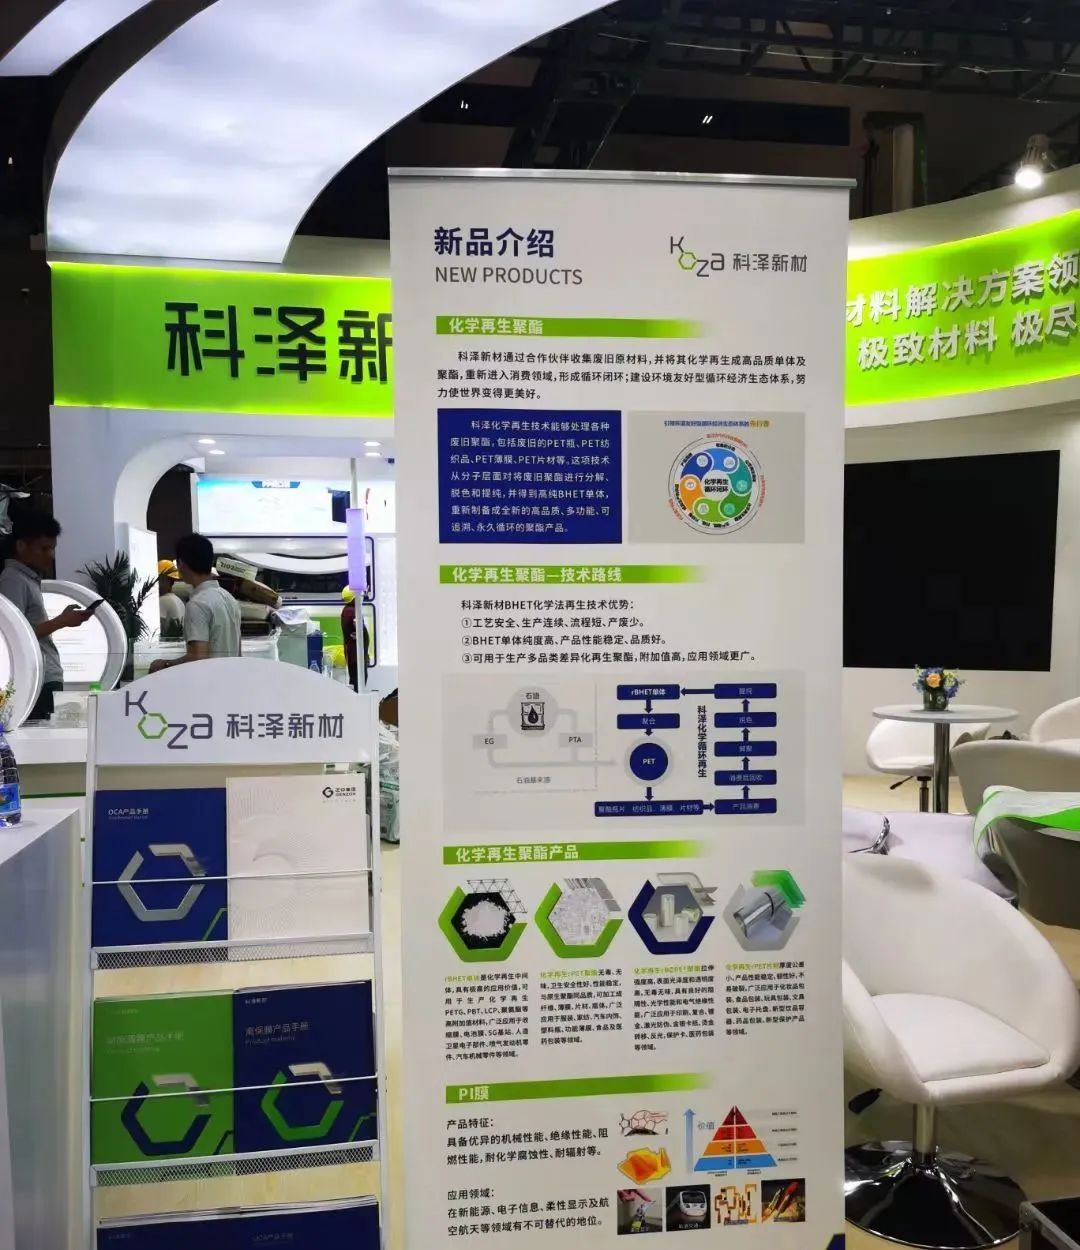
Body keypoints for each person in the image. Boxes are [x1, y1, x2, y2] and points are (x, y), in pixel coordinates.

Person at [0, 511, 91, 719]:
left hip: (43, 675)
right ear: (21, 546)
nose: (51, 555)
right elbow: (13, 637)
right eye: (44, 549)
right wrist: (61, 621)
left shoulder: (26, 578)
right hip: (36, 680)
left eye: (52, 548)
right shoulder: (13, 579)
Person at [149, 533, 240, 672]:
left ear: (181, 563)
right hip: (230, 678)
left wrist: (165, 665)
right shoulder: (229, 598)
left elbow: (198, 657)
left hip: (209, 681)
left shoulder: (198, 604)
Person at [157, 559, 185, 634]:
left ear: (164, 579)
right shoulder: (178, 600)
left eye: (158, 579)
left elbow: (159, 630)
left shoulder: (163, 600)